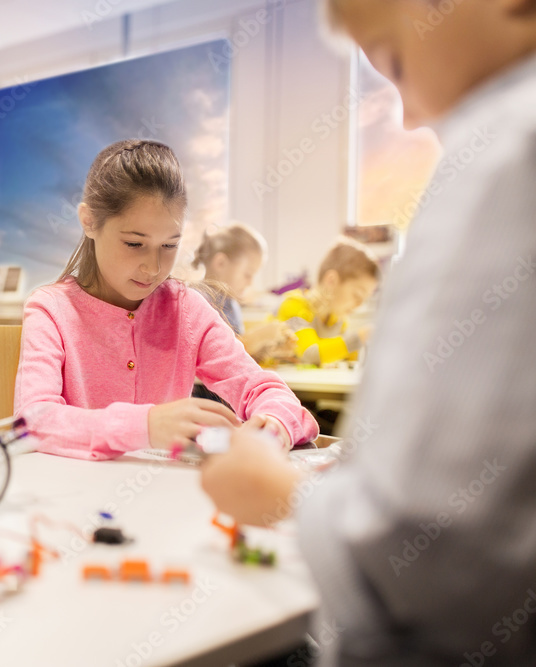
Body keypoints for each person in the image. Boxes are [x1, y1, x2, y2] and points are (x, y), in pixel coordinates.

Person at [202, 1, 536, 664]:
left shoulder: (506, 146)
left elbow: (435, 552)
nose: (408, 116)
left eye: (395, 63)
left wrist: (281, 493)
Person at [13, 139, 317, 460]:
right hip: (71, 499)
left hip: (166, 497)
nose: (153, 267)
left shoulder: (186, 309)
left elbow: (267, 391)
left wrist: (274, 424)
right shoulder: (50, 309)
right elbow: (31, 422)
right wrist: (146, 425)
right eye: (134, 243)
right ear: (89, 221)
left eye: (169, 246)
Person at [191, 222, 296, 363]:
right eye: (247, 274)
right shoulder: (196, 301)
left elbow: (240, 356)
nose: (250, 282)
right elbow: (215, 355)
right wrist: (258, 337)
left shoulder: (231, 304)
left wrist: (270, 349)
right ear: (221, 263)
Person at [277, 238, 378, 366]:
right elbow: (309, 354)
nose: (359, 304)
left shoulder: (338, 319)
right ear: (331, 281)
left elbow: (345, 354)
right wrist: (360, 337)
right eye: (357, 295)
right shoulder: (294, 305)